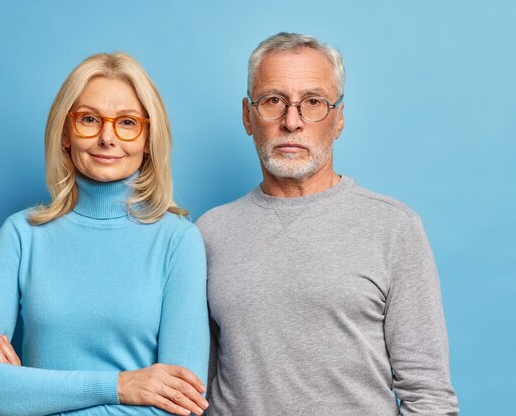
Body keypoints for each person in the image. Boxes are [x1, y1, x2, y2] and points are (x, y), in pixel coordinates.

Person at [196, 32, 459, 416]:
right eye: (273, 101)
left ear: (338, 119)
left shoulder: (393, 227)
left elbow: (429, 394)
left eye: (313, 102)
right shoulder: (209, 233)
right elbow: (194, 386)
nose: (291, 122)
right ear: (247, 116)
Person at [0, 52, 209, 416]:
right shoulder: (23, 235)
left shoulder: (179, 241)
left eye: (128, 122)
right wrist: (120, 386)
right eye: (88, 119)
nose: (106, 138)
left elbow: (181, 405)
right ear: (65, 133)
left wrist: (27, 395)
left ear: (148, 138)